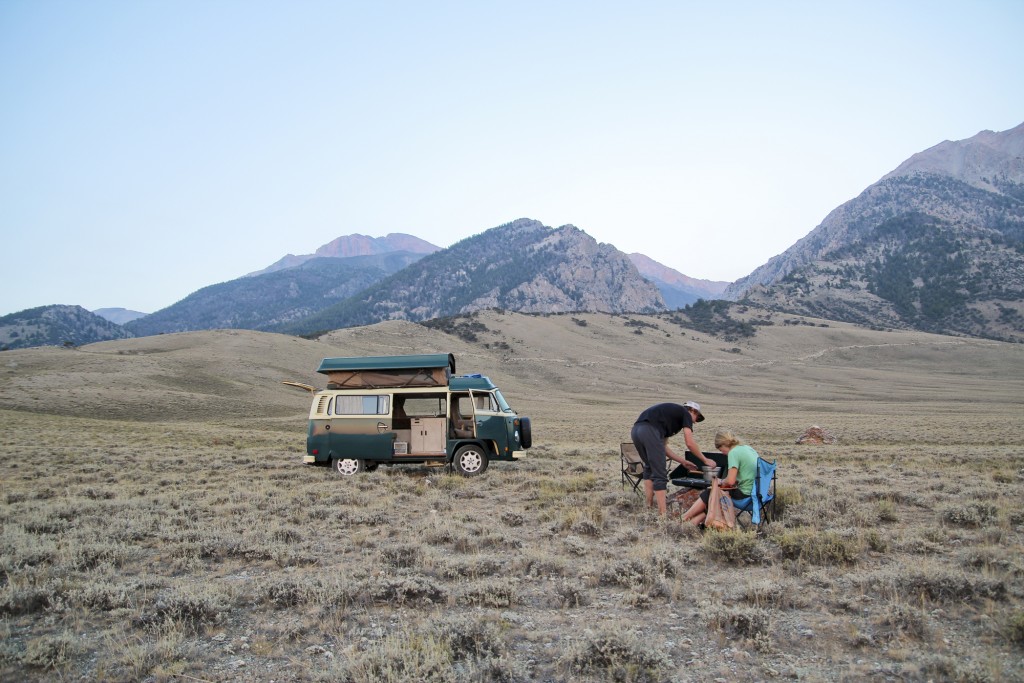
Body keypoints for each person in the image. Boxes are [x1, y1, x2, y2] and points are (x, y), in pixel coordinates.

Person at [630, 401, 715, 515]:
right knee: (660, 473)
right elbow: (689, 443)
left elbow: (663, 447)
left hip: (636, 431)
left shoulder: (669, 417)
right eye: (697, 417)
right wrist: (705, 460)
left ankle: (649, 507)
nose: (695, 421)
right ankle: (663, 515)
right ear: (692, 411)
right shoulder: (685, 413)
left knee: (650, 468)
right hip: (649, 431)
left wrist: (683, 461)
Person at [681, 430, 759, 526]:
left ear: (724, 444)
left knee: (712, 492)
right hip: (758, 495)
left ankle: (685, 518)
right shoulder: (747, 448)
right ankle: (693, 523)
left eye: (721, 450)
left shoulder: (734, 453)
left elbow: (730, 481)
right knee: (715, 496)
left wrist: (720, 480)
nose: (722, 453)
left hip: (745, 495)